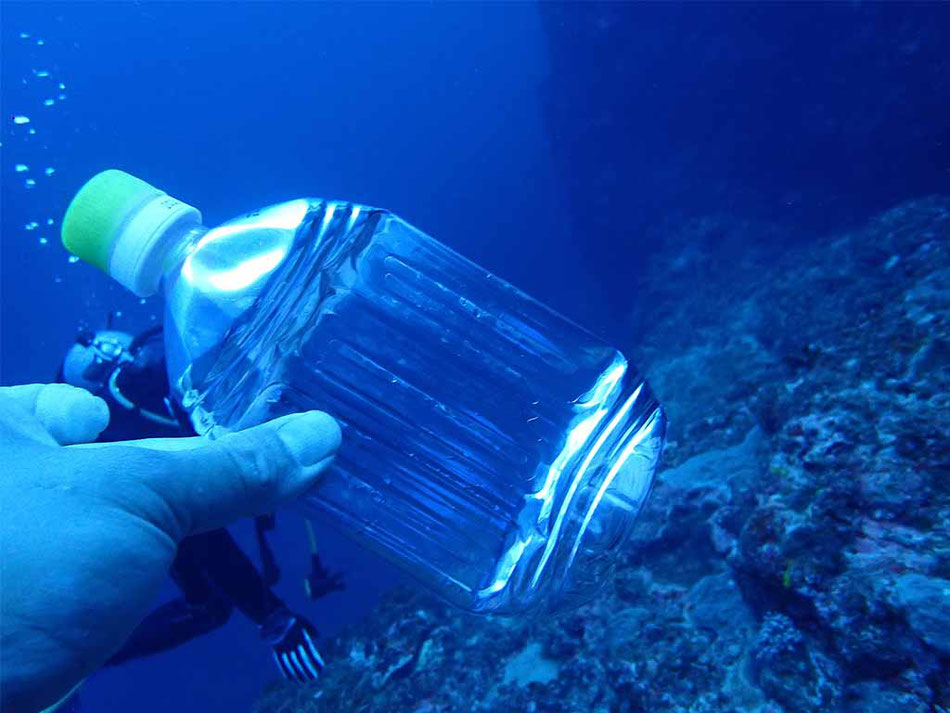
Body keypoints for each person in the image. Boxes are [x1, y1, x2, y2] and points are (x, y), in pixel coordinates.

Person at [0, 324, 343, 713]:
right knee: (209, 605)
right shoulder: (136, 410)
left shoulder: (175, 375)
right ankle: (84, 662)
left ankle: (76, 664)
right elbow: (202, 532)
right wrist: (272, 616)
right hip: (133, 501)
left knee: (210, 607)